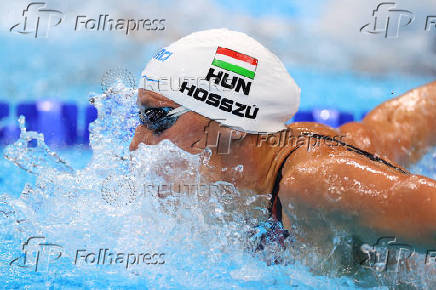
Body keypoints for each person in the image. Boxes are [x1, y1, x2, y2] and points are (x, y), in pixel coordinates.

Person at [130, 29, 436, 249]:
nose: (136, 144)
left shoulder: (320, 183)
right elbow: (414, 116)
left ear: (230, 124)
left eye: (155, 118)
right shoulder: (261, 186)